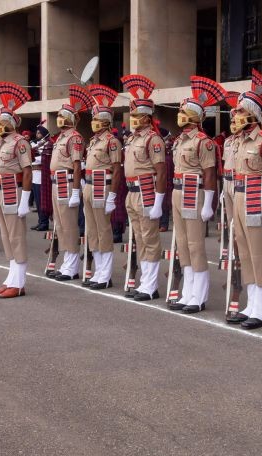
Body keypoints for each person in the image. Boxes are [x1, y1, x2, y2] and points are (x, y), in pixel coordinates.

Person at [224, 70, 262, 330]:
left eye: (240, 111)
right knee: (244, 253)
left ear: (253, 114)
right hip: (238, 197)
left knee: (258, 254)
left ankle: (261, 310)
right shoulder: (235, 141)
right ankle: (251, 304)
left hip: (256, 198)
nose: (235, 115)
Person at [167, 76, 224, 313]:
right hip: (178, 190)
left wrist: (208, 203)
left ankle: (198, 295)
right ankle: (188, 291)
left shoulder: (204, 142)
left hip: (194, 190)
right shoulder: (180, 140)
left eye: (183, 110)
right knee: (182, 243)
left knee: (195, 244)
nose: (180, 113)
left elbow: (210, 174)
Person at [119, 74, 168, 301]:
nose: (133, 118)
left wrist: (158, 201)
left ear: (147, 118)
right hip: (132, 192)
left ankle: (150, 285)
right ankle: (144, 281)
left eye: (138, 115)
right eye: (133, 114)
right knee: (139, 238)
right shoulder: (131, 139)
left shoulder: (153, 139)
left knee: (149, 238)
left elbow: (161, 171)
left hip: (147, 191)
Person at [0, 82, 33, 298]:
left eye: (1, 121)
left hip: (12, 189)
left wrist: (25, 199)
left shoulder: (20, 141)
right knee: (6, 236)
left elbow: (27, 171)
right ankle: (11, 278)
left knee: (16, 236)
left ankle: (19, 283)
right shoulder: (0, 143)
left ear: (10, 123)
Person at [81, 84, 123, 290]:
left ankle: (105, 274)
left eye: (97, 119)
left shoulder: (112, 141)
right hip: (89, 185)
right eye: (93, 118)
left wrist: (112, 196)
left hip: (101, 185)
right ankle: (98, 271)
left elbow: (116, 169)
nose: (93, 122)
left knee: (103, 230)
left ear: (106, 122)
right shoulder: (92, 141)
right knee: (92, 231)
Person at [48, 86, 91, 280]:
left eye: (64, 114)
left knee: (69, 224)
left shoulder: (74, 137)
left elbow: (76, 165)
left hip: (67, 182)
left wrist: (75, 191)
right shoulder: (61, 138)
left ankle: (72, 264)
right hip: (56, 182)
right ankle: (67, 260)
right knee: (60, 224)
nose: (60, 117)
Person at [31, 124, 51, 231]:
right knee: (38, 201)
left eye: (39, 133)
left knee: (42, 200)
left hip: (41, 176)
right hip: (35, 176)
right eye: (37, 133)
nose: (37, 135)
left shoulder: (47, 144)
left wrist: (33, 158)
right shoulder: (37, 144)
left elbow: (41, 159)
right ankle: (40, 221)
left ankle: (44, 222)